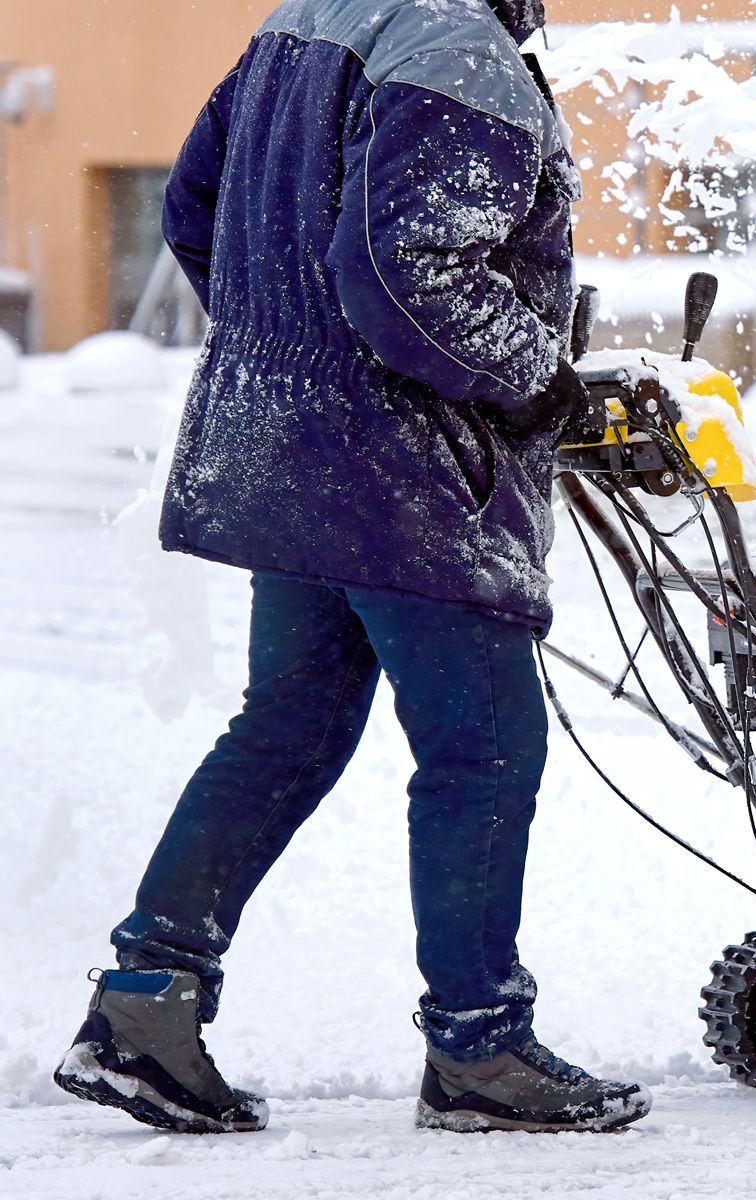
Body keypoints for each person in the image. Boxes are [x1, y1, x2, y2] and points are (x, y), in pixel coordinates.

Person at [51, 0, 648, 1135]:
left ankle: (145, 1003)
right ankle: (480, 1049)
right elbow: (402, 265)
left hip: (296, 449)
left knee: (287, 729)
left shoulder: (307, 22)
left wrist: (295, 353)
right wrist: (537, 376)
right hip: (404, 470)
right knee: (484, 745)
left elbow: (195, 208)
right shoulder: (455, 48)